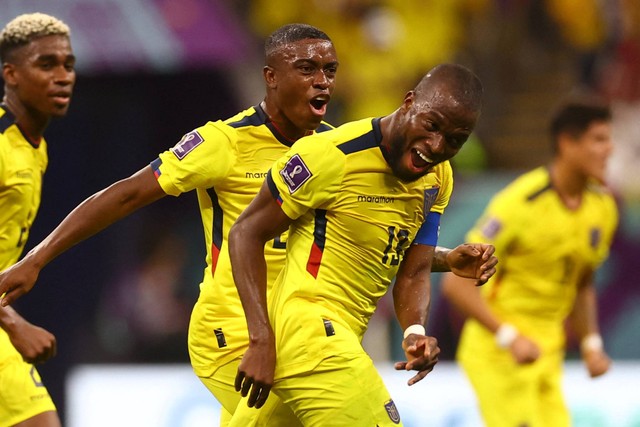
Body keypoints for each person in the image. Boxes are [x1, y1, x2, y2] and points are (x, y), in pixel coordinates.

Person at [0, 26, 493, 426]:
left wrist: (446, 260)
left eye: (330, 70)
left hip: (295, 328)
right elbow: (127, 193)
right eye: (307, 68)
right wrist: (37, 259)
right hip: (235, 332)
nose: (322, 81)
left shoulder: (335, 151)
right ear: (271, 77)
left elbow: (360, 239)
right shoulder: (225, 143)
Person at [228, 63, 484, 426]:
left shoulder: (437, 178)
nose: (436, 146)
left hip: (339, 337)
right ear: (409, 102)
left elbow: (414, 270)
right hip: (310, 330)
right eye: (431, 125)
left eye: (454, 140)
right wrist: (259, 339)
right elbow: (245, 233)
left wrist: (414, 333)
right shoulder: (331, 154)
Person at [440, 98, 617, 427]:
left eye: (609, 139)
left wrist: (592, 344)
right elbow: (455, 284)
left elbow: (583, 282)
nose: (609, 149)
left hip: (547, 353)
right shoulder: (519, 203)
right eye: (599, 139)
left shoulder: (602, 208)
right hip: (499, 351)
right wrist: (509, 337)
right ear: (567, 142)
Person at [0, 12, 76, 427]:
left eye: (68, 64)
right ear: (11, 74)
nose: (63, 76)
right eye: (46, 64)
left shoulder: (33, 144)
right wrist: (13, 322)